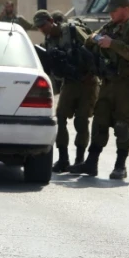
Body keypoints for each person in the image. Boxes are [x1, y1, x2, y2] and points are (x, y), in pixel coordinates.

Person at [68, 0, 129, 180]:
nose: (110, 14)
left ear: (126, 8)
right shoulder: (111, 26)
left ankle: (120, 166)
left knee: (123, 125)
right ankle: (91, 163)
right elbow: (91, 38)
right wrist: (97, 40)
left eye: (114, 10)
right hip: (108, 83)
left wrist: (112, 44)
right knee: (99, 122)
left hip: (128, 85)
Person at [33, 9, 99, 172]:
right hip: (69, 83)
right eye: (39, 27)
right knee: (60, 117)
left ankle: (79, 159)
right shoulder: (49, 41)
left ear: (50, 20)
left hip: (88, 81)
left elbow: (93, 48)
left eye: (43, 25)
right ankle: (63, 158)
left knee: (81, 120)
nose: (42, 29)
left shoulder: (71, 30)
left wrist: (91, 72)